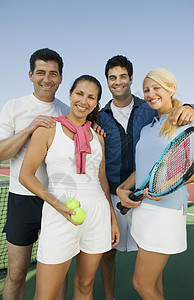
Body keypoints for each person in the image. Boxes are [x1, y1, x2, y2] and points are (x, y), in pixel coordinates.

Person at [99, 55, 194, 300]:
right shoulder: (148, 127)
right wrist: (123, 188)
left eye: (157, 88)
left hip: (165, 211)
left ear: (172, 89)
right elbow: (145, 168)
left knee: (141, 284)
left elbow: (193, 168)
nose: (151, 93)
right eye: (147, 90)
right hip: (143, 209)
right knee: (152, 283)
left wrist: (167, 185)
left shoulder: (187, 122)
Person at [19, 74, 120, 300]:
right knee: (46, 294)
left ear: (96, 103)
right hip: (58, 215)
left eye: (91, 97)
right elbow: (26, 175)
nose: (84, 101)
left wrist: (112, 219)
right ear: (70, 94)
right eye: (79, 93)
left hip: (96, 215)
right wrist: (58, 205)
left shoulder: (98, 137)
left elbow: (102, 180)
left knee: (85, 286)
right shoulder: (47, 129)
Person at [0, 48, 70, 300]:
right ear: (31, 75)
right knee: (17, 272)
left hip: (58, 201)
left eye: (53, 73)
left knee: (57, 271)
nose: (46, 79)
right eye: (41, 72)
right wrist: (30, 129)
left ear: (61, 78)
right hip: (22, 200)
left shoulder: (67, 111)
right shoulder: (14, 106)